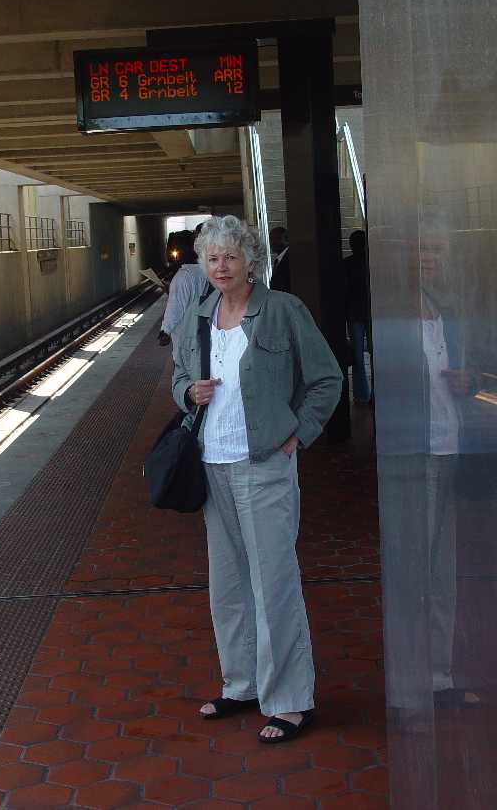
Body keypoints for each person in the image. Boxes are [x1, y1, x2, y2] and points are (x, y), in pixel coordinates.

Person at [172, 215, 343, 743]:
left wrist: (299, 434)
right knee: (227, 585)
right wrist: (187, 394)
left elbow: (326, 378)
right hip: (211, 464)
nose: (221, 267)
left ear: (252, 261)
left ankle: (290, 700)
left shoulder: (283, 311)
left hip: (264, 464)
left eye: (231, 256)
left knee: (274, 583)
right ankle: (241, 683)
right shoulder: (198, 317)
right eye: (212, 258)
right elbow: (179, 376)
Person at [158, 224, 209, 352]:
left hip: (186, 342)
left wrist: (165, 331)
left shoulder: (182, 277)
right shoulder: (206, 270)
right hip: (204, 334)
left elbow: (175, 308)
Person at [344, 229, 371, 403]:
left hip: (354, 315)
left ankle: (361, 395)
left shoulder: (346, 264)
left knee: (358, 358)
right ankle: (377, 394)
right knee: (377, 354)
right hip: (371, 312)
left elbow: (344, 292)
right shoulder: (372, 263)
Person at [268, 225, 290, 292]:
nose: (272, 242)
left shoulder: (289, 259)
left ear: (286, 239)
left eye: (277, 238)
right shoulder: (278, 260)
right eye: (271, 239)